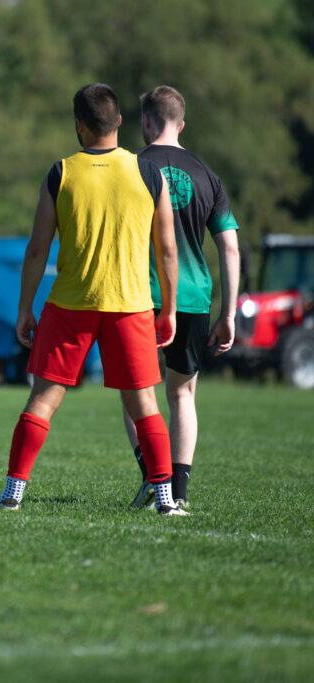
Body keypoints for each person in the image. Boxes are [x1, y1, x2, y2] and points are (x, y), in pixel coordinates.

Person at [0, 83, 188, 516]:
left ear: (79, 126)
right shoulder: (149, 173)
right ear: (119, 122)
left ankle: (12, 493)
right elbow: (168, 249)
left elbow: (38, 248)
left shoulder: (61, 173)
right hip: (131, 304)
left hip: (69, 305)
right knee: (145, 404)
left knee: (42, 400)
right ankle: (166, 500)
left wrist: (25, 308)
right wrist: (169, 307)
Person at [123, 85, 241, 510]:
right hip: (193, 296)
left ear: (147, 122)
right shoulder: (207, 175)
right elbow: (229, 246)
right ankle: (180, 491)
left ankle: (154, 479)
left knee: (136, 391)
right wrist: (228, 313)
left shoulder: (131, 167)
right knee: (182, 396)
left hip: (137, 295)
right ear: (182, 123)